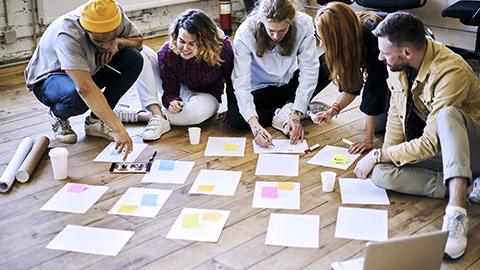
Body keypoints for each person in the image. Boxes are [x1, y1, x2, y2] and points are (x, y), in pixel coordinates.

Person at [353, 12, 480, 260]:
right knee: (380, 172)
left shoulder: (450, 71)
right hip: (444, 150)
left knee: (447, 116)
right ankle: (467, 187)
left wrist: (379, 153)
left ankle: (455, 213)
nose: (379, 57)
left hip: (473, 147)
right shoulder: (398, 63)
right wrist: (381, 157)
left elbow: (431, 142)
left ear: (407, 52)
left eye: (384, 52)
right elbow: (395, 114)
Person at [24, 0, 143, 159]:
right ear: (85, 30)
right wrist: (118, 128)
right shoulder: (67, 34)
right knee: (77, 97)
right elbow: (85, 88)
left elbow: (139, 42)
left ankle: (95, 122)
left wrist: (118, 42)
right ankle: (58, 115)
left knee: (133, 58)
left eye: (111, 38)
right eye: (99, 41)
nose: (106, 46)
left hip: (86, 69)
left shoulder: (113, 14)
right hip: (50, 79)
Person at [227, 0, 330, 147]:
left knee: (328, 63)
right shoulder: (245, 33)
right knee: (234, 116)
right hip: (263, 91)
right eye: (271, 31)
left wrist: (296, 115)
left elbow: (309, 69)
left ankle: (293, 109)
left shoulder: (303, 23)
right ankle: (281, 113)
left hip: (290, 84)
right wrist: (255, 126)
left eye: (282, 31)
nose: (276, 36)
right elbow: (241, 82)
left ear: (291, 22)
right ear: (262, 22)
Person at [134, 9, 234, 141]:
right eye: (182, 41)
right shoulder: (167, 52)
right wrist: (172, 101)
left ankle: (141, 116)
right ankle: (156, 115)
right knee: (140, 53)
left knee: (196, 115)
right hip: (179, 89)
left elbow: (232, 81)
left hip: (206, 96)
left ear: (206, 42)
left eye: (192, 44)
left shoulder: (223, 48)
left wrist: (232, 108)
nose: (185, 48)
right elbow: (169, 90)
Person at [312, 3, 389, 154]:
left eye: (323, 38)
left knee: (378, 127)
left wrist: (368, 140)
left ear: (338, 38)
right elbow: (351, 86)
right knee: (377, 125)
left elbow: (374, 89)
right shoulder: (348, 41)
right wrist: (331, 111)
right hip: (383, 73)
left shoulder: (374, 40)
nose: (320, 43)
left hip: (409, 70)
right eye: (318, 36)